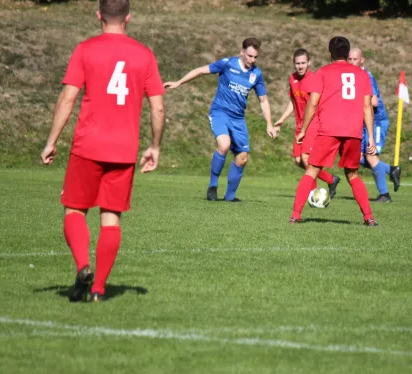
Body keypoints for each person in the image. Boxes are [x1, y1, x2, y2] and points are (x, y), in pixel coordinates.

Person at [40, 0, 165, 302]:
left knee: (74, 209)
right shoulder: (144, 55)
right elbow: (158, 105)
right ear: (128, 18)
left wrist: (51, 140)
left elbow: (68, 99)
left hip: (88, 145)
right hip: (123, 150)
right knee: (111, 217)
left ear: (99, 15)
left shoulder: (85, 49)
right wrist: (155, 146)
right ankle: (98, 290)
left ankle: (83, 266)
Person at [163, 38, 278, 202]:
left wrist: (269, 124)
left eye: (255, 57)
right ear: (242, 52)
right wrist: (179, 82)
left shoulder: (256, 74)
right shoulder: (227, 64)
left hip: (238, 119)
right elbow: (201, 70)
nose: (252, 60)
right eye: (250, 56)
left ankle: (230, 197)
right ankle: (213, 186)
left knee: (242, 158)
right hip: (220, 112)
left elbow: (264, 100)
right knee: (224, 145)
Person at [289, 37, 378, 226]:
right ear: (347, 54)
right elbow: (367, 107)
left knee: (312, 170)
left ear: (330, 54)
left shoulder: (322, 72)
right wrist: (370, 137)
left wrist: (303, 129)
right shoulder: (362, 75)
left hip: (328, 128)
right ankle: (369, 217)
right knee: (352, 175)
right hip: (353, 130)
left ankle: (295, 215)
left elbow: (312, 103)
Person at [274, 49, 341, 198]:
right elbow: (293, 102)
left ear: (309, 62)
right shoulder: (292, 79)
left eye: (303, 63)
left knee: (306, 159)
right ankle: (331, 179)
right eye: (297, 63)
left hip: (312, 124)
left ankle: (313, 194)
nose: (300, 66)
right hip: (299, 126)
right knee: (299, 160)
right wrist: (282, 120)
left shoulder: (314, 79)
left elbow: (318, 103)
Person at [347, 48, 400, 202]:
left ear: (362, 60)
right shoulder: (352, 77)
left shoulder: (366, 76)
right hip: (364, 123)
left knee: (371, 156)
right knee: (355, 158)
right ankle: (391, 170)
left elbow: (374, 102)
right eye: (349, 59)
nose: (351, 62)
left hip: (376, 122)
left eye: (355, 59)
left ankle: (384, 194)